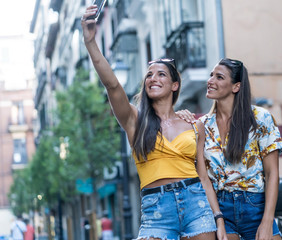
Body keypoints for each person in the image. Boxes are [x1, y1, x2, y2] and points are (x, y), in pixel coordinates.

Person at [81, 5, 226, 240]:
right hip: (156, 208)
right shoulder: (134, 120)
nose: (153, 78)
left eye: (161, 74)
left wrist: (218, 218)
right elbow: (113, 86)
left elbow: (203, 176)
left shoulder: (193, 124)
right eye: (149, 74)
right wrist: (90, 42)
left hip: (196, 204)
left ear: (174, 85)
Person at [177, 58, 282, 240]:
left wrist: (267, 221)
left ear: (236, 87)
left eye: (219, 77)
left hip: (255, 207)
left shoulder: (260, 118)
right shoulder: (201, 126)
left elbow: (272, 173)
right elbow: (202, 177)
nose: (210, 81)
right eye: (211, 75)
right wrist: (178, 117)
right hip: (219, 208)